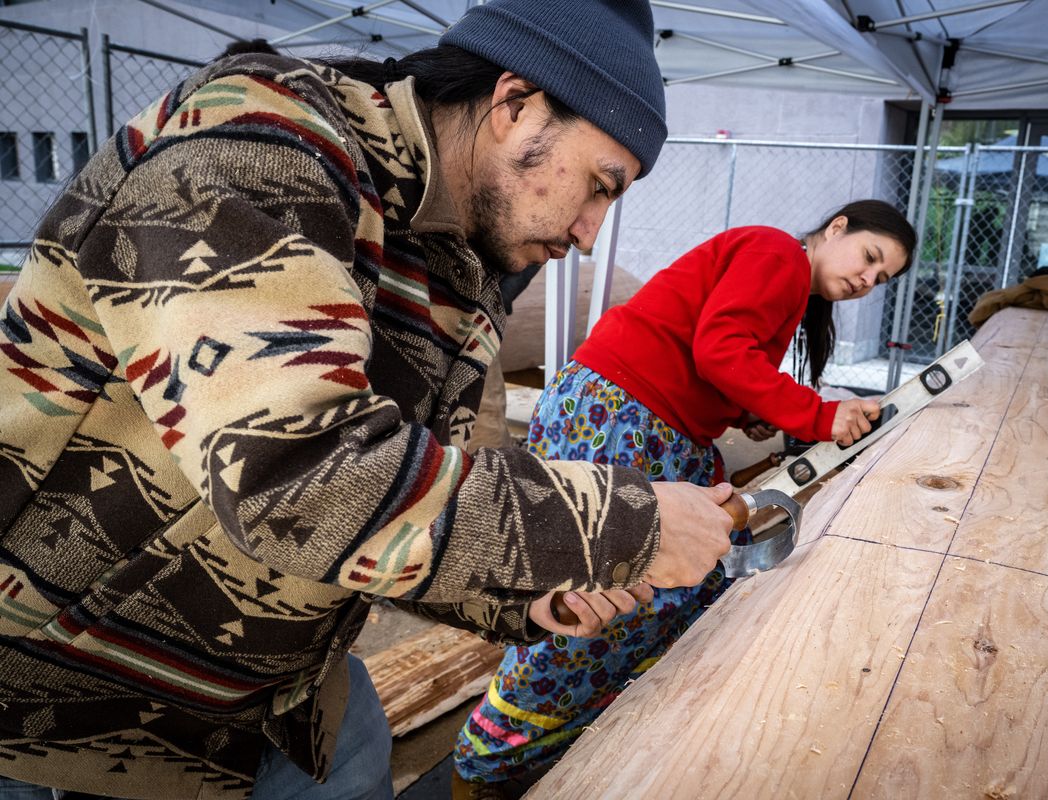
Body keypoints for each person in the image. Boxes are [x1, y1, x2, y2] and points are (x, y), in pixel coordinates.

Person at [0, 2, 740, 798]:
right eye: (599, 186)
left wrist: (525, 594)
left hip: (283, 704)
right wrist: (629, 521)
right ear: (516, 104)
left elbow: (405, 485)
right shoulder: (254, 144)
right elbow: (295, 474)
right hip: (69, 707)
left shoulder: (456, 262)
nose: (592, 232)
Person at [453, 200, 917, 795]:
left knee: (682, 581)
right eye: (870, 258)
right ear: (835, 229)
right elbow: (720, 349)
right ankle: (490, 759)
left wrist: (746, 409)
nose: (865, 280)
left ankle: (573, 737)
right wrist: (821, 415)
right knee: (603, 595)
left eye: (880, 280)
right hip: (620, 416)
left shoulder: (789, 282)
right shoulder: (778, 252)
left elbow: (719, 355)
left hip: (639, 419)